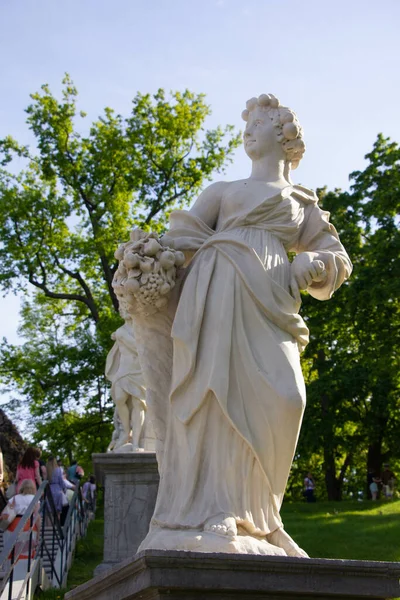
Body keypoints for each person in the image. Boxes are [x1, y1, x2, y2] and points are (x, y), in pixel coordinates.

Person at [137, 93, 352, 557]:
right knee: (219, 395)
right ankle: (218, 510)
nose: (248, 130)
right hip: (217, 291)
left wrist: (312, 262)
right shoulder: (222, 192)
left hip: (272, 299)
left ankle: (264, 518)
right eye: (248, 123)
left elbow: (338, 257)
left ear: (283, 134)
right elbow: (180, 243)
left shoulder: (302, 202)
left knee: (287, 397)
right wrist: (146, 266)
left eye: (258, 122)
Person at [105, 306, 147, 451]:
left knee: (138, 403)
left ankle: (136, 442)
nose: (126, 311)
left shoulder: (142, 329)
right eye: (123, 309)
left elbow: (140, 348)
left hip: (139, 370)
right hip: (124, 369)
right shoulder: (121, 332)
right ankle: (126, 431)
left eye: (128, 309)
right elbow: (139, 347)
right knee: (120, 399)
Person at [0, 479, 41, 560]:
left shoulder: (14, 498)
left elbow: (5, 513)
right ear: (33, 488)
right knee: (26, 553)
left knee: (11, 553)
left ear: (21, 487)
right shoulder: (35, 499)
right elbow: (37, 517)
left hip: (13, 525)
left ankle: (9, 570)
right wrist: (39, 534)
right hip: (29, 525)